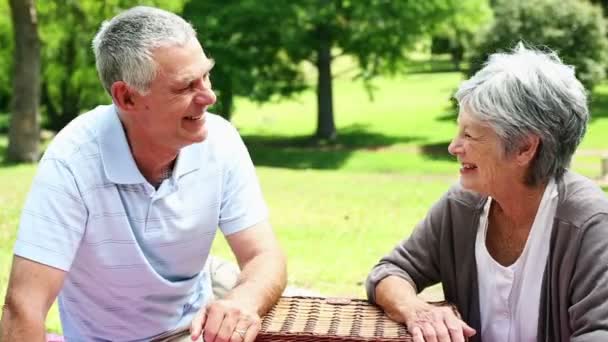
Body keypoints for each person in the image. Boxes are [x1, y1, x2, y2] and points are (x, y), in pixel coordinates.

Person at [0, 6, 286, 342]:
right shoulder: (73, 161)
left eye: (205, 75)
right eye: (185, 87)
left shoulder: (220, 141)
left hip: (194, 313)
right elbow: (24, 306)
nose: (209, 96)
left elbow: (264, 255)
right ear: (126, 97)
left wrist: (242, 300)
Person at [366, 44, 608, 342]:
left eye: (469, 134)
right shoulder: (461, 206)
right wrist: (415, 308)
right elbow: (390, 271)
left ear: (524, 148)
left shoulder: (592, 224)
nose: (453, 147)